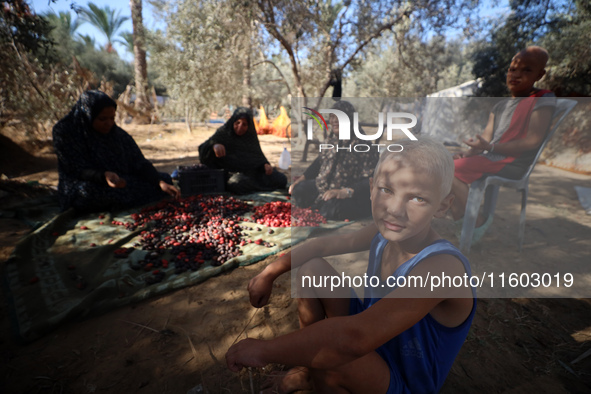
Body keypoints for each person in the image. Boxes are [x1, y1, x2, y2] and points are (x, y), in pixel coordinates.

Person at [226, 138, 476, 393]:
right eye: (386, 190)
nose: (394, 209)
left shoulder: (443, 268)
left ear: (443, 206)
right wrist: (269, 273)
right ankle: (309, 371)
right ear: (370, 188)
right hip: (372, 345)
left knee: (335, 355)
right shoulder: (382, 234)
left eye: (418, 198)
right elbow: (320, 246)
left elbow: (354, 339)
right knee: (313, 271)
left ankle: (319, 375)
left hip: (403, 381)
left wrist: (265, 350)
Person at [450, 46, 556, 236]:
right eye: (512, 69)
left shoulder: (543, 99)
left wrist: (490, 147)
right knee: (444, 164)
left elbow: (533, 140)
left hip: (513, 162)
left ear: (540, 75)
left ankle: (478, 222)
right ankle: (461, 218)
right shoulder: (500, 106)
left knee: (447, 170)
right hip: (490, 158)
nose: (516, 75)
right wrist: (467, 153)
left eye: (527, 70)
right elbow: (485, 139)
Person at [53, 90, 180, 212]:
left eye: (112, 118)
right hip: (85, 183)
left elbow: (139, 162)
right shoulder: (65, 132)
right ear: (88, 115)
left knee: (165, 179)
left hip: (120, 181)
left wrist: (159, 182)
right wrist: (103, 176)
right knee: (87, 194)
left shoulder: (117, 134)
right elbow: (74, 169)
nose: (109, 123)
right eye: (102, 119)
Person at [289, 100, 379, 221]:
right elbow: (319, 162)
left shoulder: (363, 145)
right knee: (299, 190)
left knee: (332, 209)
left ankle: (324, 207)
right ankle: (320, 205)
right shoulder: (330, 141)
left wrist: (344, 192)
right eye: (332, 116)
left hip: (350, 196)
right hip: (324, 189)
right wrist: (300, 180)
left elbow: (371, 179)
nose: (334, 120)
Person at [198, 107, 287, 194]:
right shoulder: (224, 133)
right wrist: (213, 145)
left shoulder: (250, 137)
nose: (240, 127)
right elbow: (202, 148)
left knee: (281, 179)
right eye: (238, 122)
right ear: (233, 121)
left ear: (249, 126)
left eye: (244, 124)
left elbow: (257, 157)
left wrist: (265, 165)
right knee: (236, 183)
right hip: (231, 174)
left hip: (252, 173)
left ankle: (254, 186)